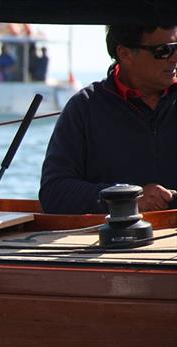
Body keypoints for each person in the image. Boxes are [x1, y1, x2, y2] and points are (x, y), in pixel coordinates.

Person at [39, 25, 177, 214]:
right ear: (125, 53)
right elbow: (54, 193)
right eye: (164, 51)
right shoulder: (84, 107)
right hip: (110, 241)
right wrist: (129, 199)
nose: (175, 57)